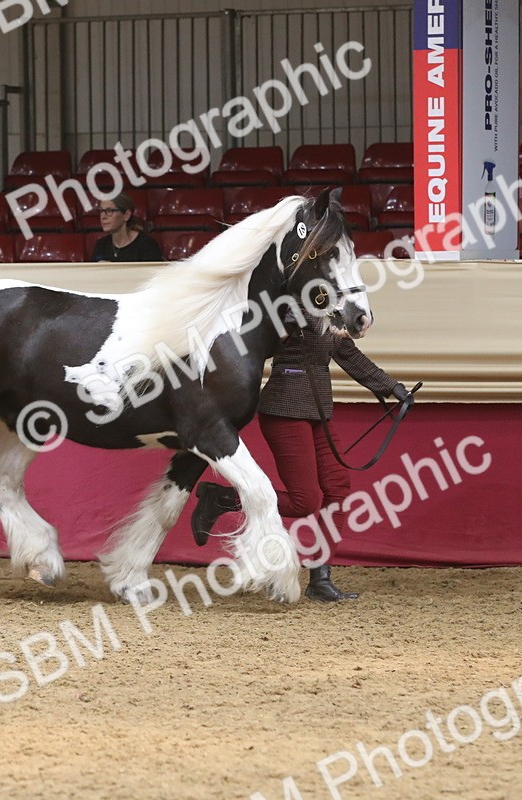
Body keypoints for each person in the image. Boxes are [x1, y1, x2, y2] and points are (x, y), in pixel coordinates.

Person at [191, 311, 409, 602]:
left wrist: (392, 387)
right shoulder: (288, 306)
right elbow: (266, 341)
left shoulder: (332, 314)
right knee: (303, 501)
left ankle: (320, 577)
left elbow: (348, 355)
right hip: (286, 408)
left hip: (319, 410)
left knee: (338, 488)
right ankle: (220, 498)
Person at [91, 193, 163, 262]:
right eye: (101, 211)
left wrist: (113, 269)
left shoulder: (147, 245)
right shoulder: (101, 245)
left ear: (126, 215)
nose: (103, 217)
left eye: (109, 211)